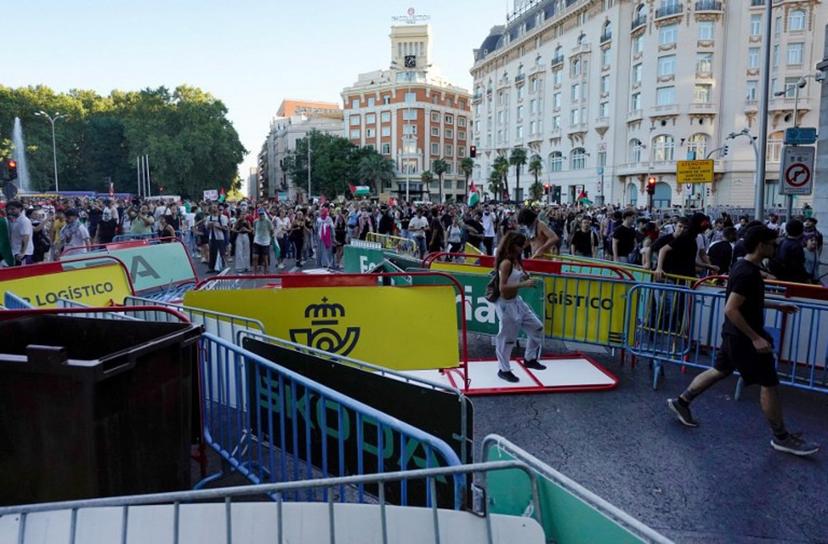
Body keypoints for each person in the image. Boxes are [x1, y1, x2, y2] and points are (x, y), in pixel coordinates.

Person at [667, 225, 819, 456]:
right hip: (745, 338)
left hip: (735, 335)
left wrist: (777, 305)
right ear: (761, 245)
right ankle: (781, 437)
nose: (775, 247)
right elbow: (731, 309)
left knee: (720, 369)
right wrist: (756, 337)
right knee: (769, 383)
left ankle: (682, 402)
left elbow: (743, 301)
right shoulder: (746, 272)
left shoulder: (744, 267)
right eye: (772, 243)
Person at [492, 231, 546, 383]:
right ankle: (504, 370)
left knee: (537, 327)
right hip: (505, 304)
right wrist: (524, 283)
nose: (523, 248)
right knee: (507, 339)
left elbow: (514, 278)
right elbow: (503, 288)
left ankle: (529, 359)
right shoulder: (506, 263)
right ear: (513, 245)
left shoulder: (515, 259)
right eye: (521, 246)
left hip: (516, 301)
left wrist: (523, 277)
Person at [773, 219, 809, 283]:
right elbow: (799, 266)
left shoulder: (782, 242)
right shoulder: (797, 246)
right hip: (793, 279)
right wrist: (806, 278)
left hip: (780, 277)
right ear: (801, 231)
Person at [6, 201, 34, 266]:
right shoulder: (16, 220)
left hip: (23, 254)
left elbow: (26, 237)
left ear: (20, 209)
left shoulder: (23, 221)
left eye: (13, 209)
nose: (10, 211)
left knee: (24, 274)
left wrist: (22, 252)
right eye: (8, 209)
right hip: (17, 252)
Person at [206, 205, 229, 273]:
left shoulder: (223, 217)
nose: (214, 209)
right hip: (212, 237)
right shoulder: (209, 218)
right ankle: (211, 267)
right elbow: (207, 227)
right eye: (213, 207)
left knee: (220, 252)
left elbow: (225, 228)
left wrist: (218, 226)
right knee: (212, 252)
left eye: (215, 207)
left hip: (220, 237)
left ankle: (220, 267)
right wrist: (209, 225)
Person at [251, 209, 274, 274]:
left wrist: (271, 237)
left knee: (265, 258)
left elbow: (272, 230)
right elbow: (254, 229)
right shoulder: (255, 221)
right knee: (255, 257)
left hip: (265, 242)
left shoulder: (268, 222)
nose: (261, 216)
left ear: (264, 214)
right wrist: (254, 233)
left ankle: (266, 271)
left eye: (262, 214)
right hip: (257, 241)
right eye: (260, 214)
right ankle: (254, 271)